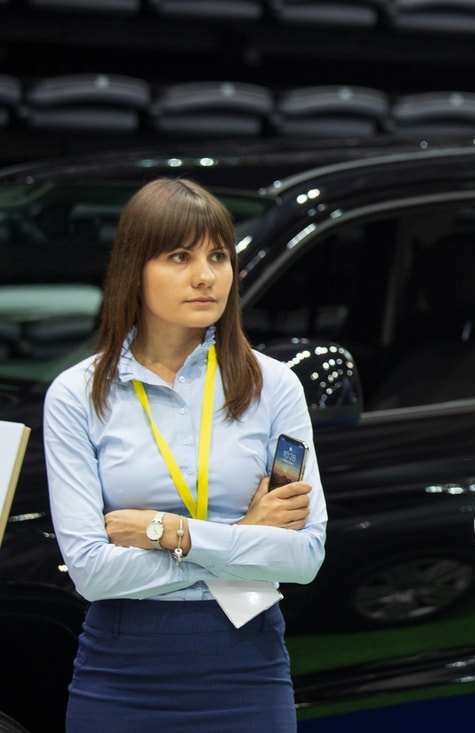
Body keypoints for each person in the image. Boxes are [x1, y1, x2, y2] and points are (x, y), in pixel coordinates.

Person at [43, 178, 327, 732]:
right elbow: (92, 574)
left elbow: (303, 557)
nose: (206, 276)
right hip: (120, 672)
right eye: (180, 257)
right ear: (134, 269)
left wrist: (171, 533)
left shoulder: (273, 386)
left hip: (246, 666)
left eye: (218, 256)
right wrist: (245, 533)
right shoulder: (78, 394)